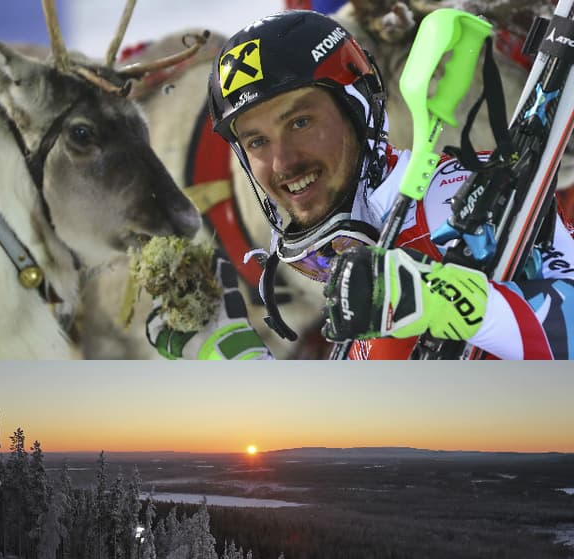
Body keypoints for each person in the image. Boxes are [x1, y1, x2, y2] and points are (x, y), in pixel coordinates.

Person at [204, 10, 574, 359]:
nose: (282, 162)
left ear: (357, 111)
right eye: (257, 142)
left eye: (300, 122)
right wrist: (223, 348)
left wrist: (441, 300)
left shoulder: (459, 196)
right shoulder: (350, 264)